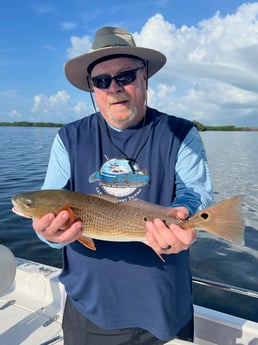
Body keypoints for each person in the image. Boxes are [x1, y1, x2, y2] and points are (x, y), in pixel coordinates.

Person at [33, 26, 213, 345]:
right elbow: (47, 211)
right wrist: (48, 235)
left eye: (125, 76)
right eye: (102, 81)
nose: (114, 88)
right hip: (89, 311)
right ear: (92, 88)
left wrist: (185, 216)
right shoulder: (68, 139)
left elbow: (196, 194)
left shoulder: (181, 133)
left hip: (166, 306)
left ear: (144, 76)